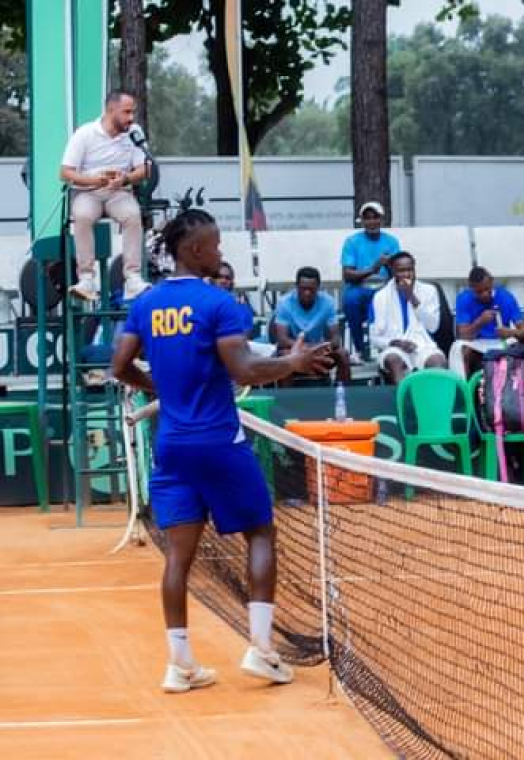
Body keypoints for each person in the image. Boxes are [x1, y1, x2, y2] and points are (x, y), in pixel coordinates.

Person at [111, 208, 334, 693]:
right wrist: (291, 360)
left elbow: (119, 365)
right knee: (259, 532)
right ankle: (262, 650)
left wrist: (158, 391)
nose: (220, 252)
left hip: (171, 445)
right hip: (217, 441)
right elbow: (244, 370)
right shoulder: (218, 304)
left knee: (178, 556)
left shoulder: (146, 304)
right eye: (214, 245)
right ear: (193, 251)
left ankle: (180, 664)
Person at [60, 90, 150, 301]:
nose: (131, 118)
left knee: (132, 214)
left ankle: (133, 278)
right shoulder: (85, 133)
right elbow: (65, 172)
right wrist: (94, 180)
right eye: (126, 112)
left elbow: (145, 169)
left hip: (119, 191)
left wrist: (125, 179)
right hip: (88, 192)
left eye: (133, 113)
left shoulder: (134, 132)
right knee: (81, 215)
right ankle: (86, 279)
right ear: (111, 110)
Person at [369, 252, 447, 384]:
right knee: (394, 360)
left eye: (409, 269)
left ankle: (432, 403)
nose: (406, 274)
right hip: (394, 347)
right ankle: (404, 402)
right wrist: (396, 343)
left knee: (438, 361)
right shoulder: (380, 297)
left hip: (423, 346)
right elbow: (374, 338)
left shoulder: (429, 291)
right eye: (401, 270)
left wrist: (412, 297)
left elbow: (433, 326)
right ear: (393, 272)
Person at [341, 202, 399, 362]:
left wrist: (388, 265)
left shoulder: (391, 242)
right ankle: (360, 349)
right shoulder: (352, 242)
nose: (371, 222)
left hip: (384, 287)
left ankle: (384, 347)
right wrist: (373, 268)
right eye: (367, 218)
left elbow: (398, 271)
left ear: (381, 219)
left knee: (388, 300)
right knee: (350, 300)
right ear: (362, 221)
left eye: (375, 218)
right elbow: (347, 274)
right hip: (360, 286)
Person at [273, 267, 351, 383]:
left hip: (320, 350)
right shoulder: (284, 303)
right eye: (303, 289)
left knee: (343, 354)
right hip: (294, 350)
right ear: (296, 286)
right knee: (284, 357)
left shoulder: (328, 302)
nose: (307, 293)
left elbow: (335, 339)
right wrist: (307, 348)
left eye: (311, 289)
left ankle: (342, 395)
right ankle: (287, 400)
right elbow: (282, 340)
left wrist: (321, 348)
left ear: (318, 288)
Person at [450, 266, 524, 377]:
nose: (485, 294)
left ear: (492, 282)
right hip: (477, 344)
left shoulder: (505, 297)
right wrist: (480, 322)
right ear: (471, 287)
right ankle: (466, 390)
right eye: (479, 292)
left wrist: (511, 332)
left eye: (488, 289)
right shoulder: (464, 298)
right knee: (463, 351)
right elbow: (463, 335)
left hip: (501, 342)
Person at [213, 261, 258, 340]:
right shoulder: (204, 305)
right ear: (212, 279)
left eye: (227, 278)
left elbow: (246, 335)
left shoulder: (241, 307)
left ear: (231, 282)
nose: (223, 281)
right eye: (219, 277)